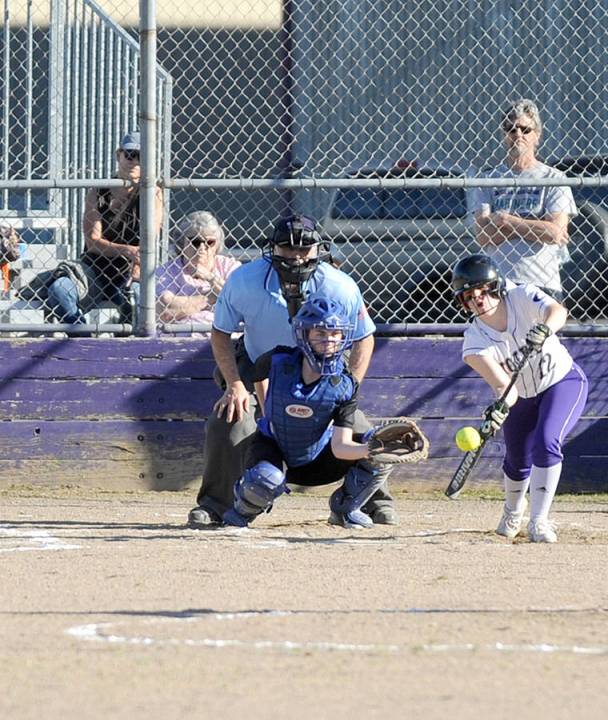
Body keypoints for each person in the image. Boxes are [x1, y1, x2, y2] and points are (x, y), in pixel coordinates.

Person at [187, 214, 397, 528]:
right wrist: (234, 384)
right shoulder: (245, 280)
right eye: (287, 248)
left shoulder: (339, 285)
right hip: (259, 362)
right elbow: (220, 333)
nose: (297, 256)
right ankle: (216, 505)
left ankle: (372, 501)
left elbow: (364, 336)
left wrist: (349, 384)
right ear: (271, 248)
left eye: (305, 248)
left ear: (319, 249)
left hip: (321, 367)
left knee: (360, 426)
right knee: (228, 420)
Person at [220, 296, 392, 529]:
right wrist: (268, 409)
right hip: (275, 450)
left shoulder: (345, 385)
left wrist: (372, 450)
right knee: (265, 479)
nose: (329, 340)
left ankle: (345, 509)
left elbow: (341, 447)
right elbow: (255, 376)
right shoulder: (277, 360)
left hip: (318, 458)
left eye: (335, 334)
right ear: (304, 334)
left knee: (378, 449)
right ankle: (241, 513)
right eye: (320, 333)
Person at [452, 253, 589, 543]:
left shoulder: (522, 294)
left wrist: (545, 328)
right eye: (470, 295)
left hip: (561, 381)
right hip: (522, 395)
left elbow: (558, 311)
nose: (479, 299)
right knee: (516, 459)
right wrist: (499, 409)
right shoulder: (474, 342)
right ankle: (513, 511)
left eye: (484, 290)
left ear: (497, 286)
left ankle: (539, 521)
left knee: (547, 441)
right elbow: (507, 388)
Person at [45, 132, 164, 325]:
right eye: (130, 154)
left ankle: (127, 344)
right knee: (59, 288)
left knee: (139, 301)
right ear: (119, 155)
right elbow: (93, 243)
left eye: (142, 157)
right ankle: (83, 338)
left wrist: (137, 267)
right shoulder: (99, 191)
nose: (135, 161)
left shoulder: (153, 193)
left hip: (128, 271)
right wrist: (126, 250)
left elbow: (149, 240)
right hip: (94, 268)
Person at [472, 99, 578, 300]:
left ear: (537, 136)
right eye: (511, 130)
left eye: (525, 130)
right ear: (504, 135)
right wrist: (536, 228)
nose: (518, 135)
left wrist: (506, 221)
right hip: (498, 283)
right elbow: (484, 237)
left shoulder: (553, 178)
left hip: (542, 283)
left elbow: (554, 233)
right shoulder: (488, 179)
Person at [156, 211, 241, 333]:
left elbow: (240, 302)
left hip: (225, 335)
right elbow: (166, 312)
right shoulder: (167, 271)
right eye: (195, 242)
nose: (202, 248)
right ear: (182, 243)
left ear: (217, 245)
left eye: (210, 242)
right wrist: (213, 297)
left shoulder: (229, 266)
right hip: (180, 336)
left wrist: (210, 278)